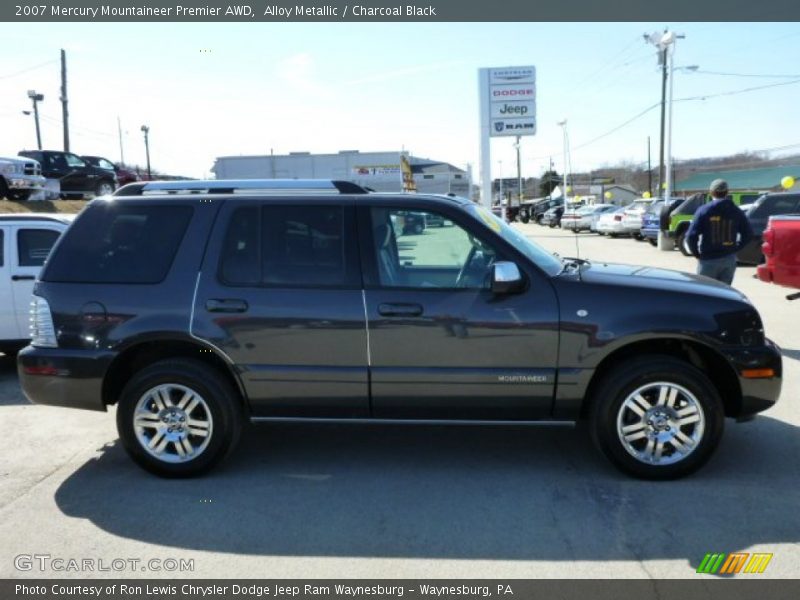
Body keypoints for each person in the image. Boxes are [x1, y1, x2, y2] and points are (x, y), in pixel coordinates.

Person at [686, 179, 753, 285]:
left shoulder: (704, 210)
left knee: (705, 293)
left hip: (708, 259)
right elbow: (748, 233)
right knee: (724, 294)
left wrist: (696, 253)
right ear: (727, 192)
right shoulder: (736, 211)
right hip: (728, 259)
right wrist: (735, 248)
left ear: (711, 192)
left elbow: (691, 235)